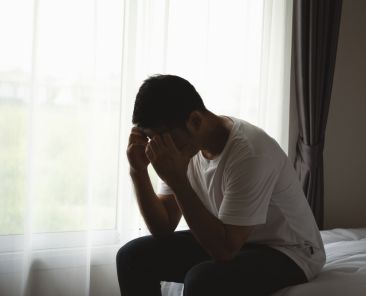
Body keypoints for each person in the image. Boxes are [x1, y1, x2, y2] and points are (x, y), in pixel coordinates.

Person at [116, 74, 325, 296]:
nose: (161, 148)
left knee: (202, 280)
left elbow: (224, 250)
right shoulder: (184, 146)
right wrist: (137, 170)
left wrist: (177, 179)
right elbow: (164, 226)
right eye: (153, 140)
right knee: (131, 257)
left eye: (164, 139)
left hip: (289, 251)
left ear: (195, 121)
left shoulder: (250, 153)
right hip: (234, 239)